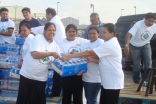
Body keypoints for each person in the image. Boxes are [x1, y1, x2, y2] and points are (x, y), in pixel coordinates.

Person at [61, 23, 124, 104]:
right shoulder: (107, 43)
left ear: (111, 33)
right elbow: (96, 57)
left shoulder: (110, 44)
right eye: (102, 32)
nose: (102, 34)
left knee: (94, 100)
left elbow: (90, 53)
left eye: (104, 32)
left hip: (112, 81)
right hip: (105, 80)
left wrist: (71, 56)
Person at [16, 22, 60, 104]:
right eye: (49, 30)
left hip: (41, 78)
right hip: (27, 76)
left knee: (39, 101)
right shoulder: (37, 38)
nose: (52, 32)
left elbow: (59, 61)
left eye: (54, 30)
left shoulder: (55, 46)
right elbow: (35, 55)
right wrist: (51, 53)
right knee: (23, 100)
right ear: (44, 31)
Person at [59, 24, 88, 104]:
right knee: (66, 95)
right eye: (69, 31)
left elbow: (92, 45)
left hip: (78, 73)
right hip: (66, 74)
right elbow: (60, 57)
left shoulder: (82, 41)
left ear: (76, 32)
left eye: (73, 31)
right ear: (66, 32)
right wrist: (67, 56)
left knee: (77, 96)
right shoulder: (61, 43)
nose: (71, 33)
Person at [124, 13, 156, 84]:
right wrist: (127, 46)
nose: (151, 23)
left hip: (146, 44)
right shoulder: (138, 24)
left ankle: (146, 80)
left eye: (152, 21)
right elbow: (128, 34)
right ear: (145, 19)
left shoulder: (154, 26)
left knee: (148, 63)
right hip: (135, 45)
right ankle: (137, 80)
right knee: (137, 64)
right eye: (149, 21)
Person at [82, 26, 104, 104]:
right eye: (90, 33)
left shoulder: (101, 43)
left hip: (95, 78)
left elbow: (102, 60)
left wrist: (92, 59)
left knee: (92, 99)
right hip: (86, 77)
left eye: (94, 33)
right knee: (88, 98)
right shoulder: (86, 43)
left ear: (98, 34)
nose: (91, 35)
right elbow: (81, 56)